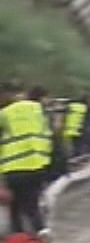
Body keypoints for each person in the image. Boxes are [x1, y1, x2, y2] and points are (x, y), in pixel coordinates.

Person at [0, 85, 53, 235]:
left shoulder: (4, 114)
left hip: (13, 168)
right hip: (38, 165)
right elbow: (49, 136)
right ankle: (41, 232)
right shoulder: (38, 110)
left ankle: (20, 237)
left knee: (16, 207)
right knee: (32, 205)